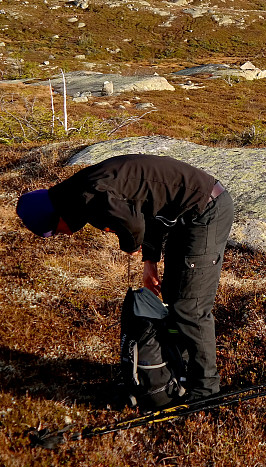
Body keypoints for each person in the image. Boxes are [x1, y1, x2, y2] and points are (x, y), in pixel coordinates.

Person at [16, 154, 234, 400]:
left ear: (57, 215)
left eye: (55, 231)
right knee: (174, 296)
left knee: (190, 308)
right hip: (185, 214)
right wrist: (149, 261)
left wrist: (131, 244)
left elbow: (134, 226)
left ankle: (206, 390)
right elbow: (148, 207)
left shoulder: (91, 196)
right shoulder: (79, 190)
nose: (62, 235)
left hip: (206, 211)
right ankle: (179, 370)